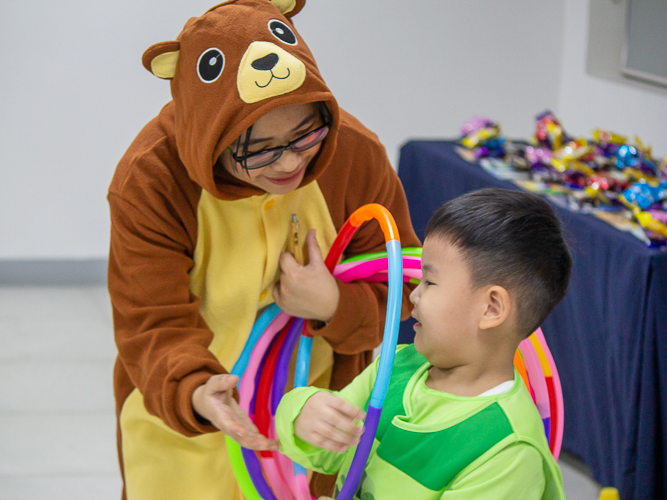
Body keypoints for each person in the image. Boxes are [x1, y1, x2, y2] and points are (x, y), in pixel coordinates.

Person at [107, 1, 419, 499]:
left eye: (305, 135)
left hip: (312, 421)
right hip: (188, 424)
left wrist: (333, 304)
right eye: (259, 149)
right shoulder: (151, 179)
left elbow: (403, 283)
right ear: (212, 138)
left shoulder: (354, 155)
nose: (290, 162)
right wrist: (195, 390)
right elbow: (151, 322)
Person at [276, 188, 573, 499]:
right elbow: (327, 454)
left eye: (430, 282)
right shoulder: (397, 369)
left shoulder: (507, 450)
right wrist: (302, 414)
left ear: (491, 308)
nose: (415, 294)